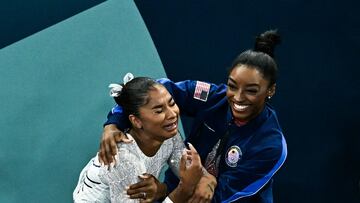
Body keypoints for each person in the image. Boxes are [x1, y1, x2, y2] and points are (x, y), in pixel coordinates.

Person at [100, 30, 287, 202]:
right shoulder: (212, 97)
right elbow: (146, 93)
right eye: (232, 85)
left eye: (251, 91)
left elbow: (219, 198)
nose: (237, 97)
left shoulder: (271, 145)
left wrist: (165, 191)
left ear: (270, 90)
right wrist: (113, 124)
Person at [73, 76, 205, 203]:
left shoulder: (169, 136)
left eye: (172, 103)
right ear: (136, 121)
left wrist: (205, 178)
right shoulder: (124, 159)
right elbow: (188, 184)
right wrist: (185, 189)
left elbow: (190, 173)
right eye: (159, 111)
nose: (172, 114)